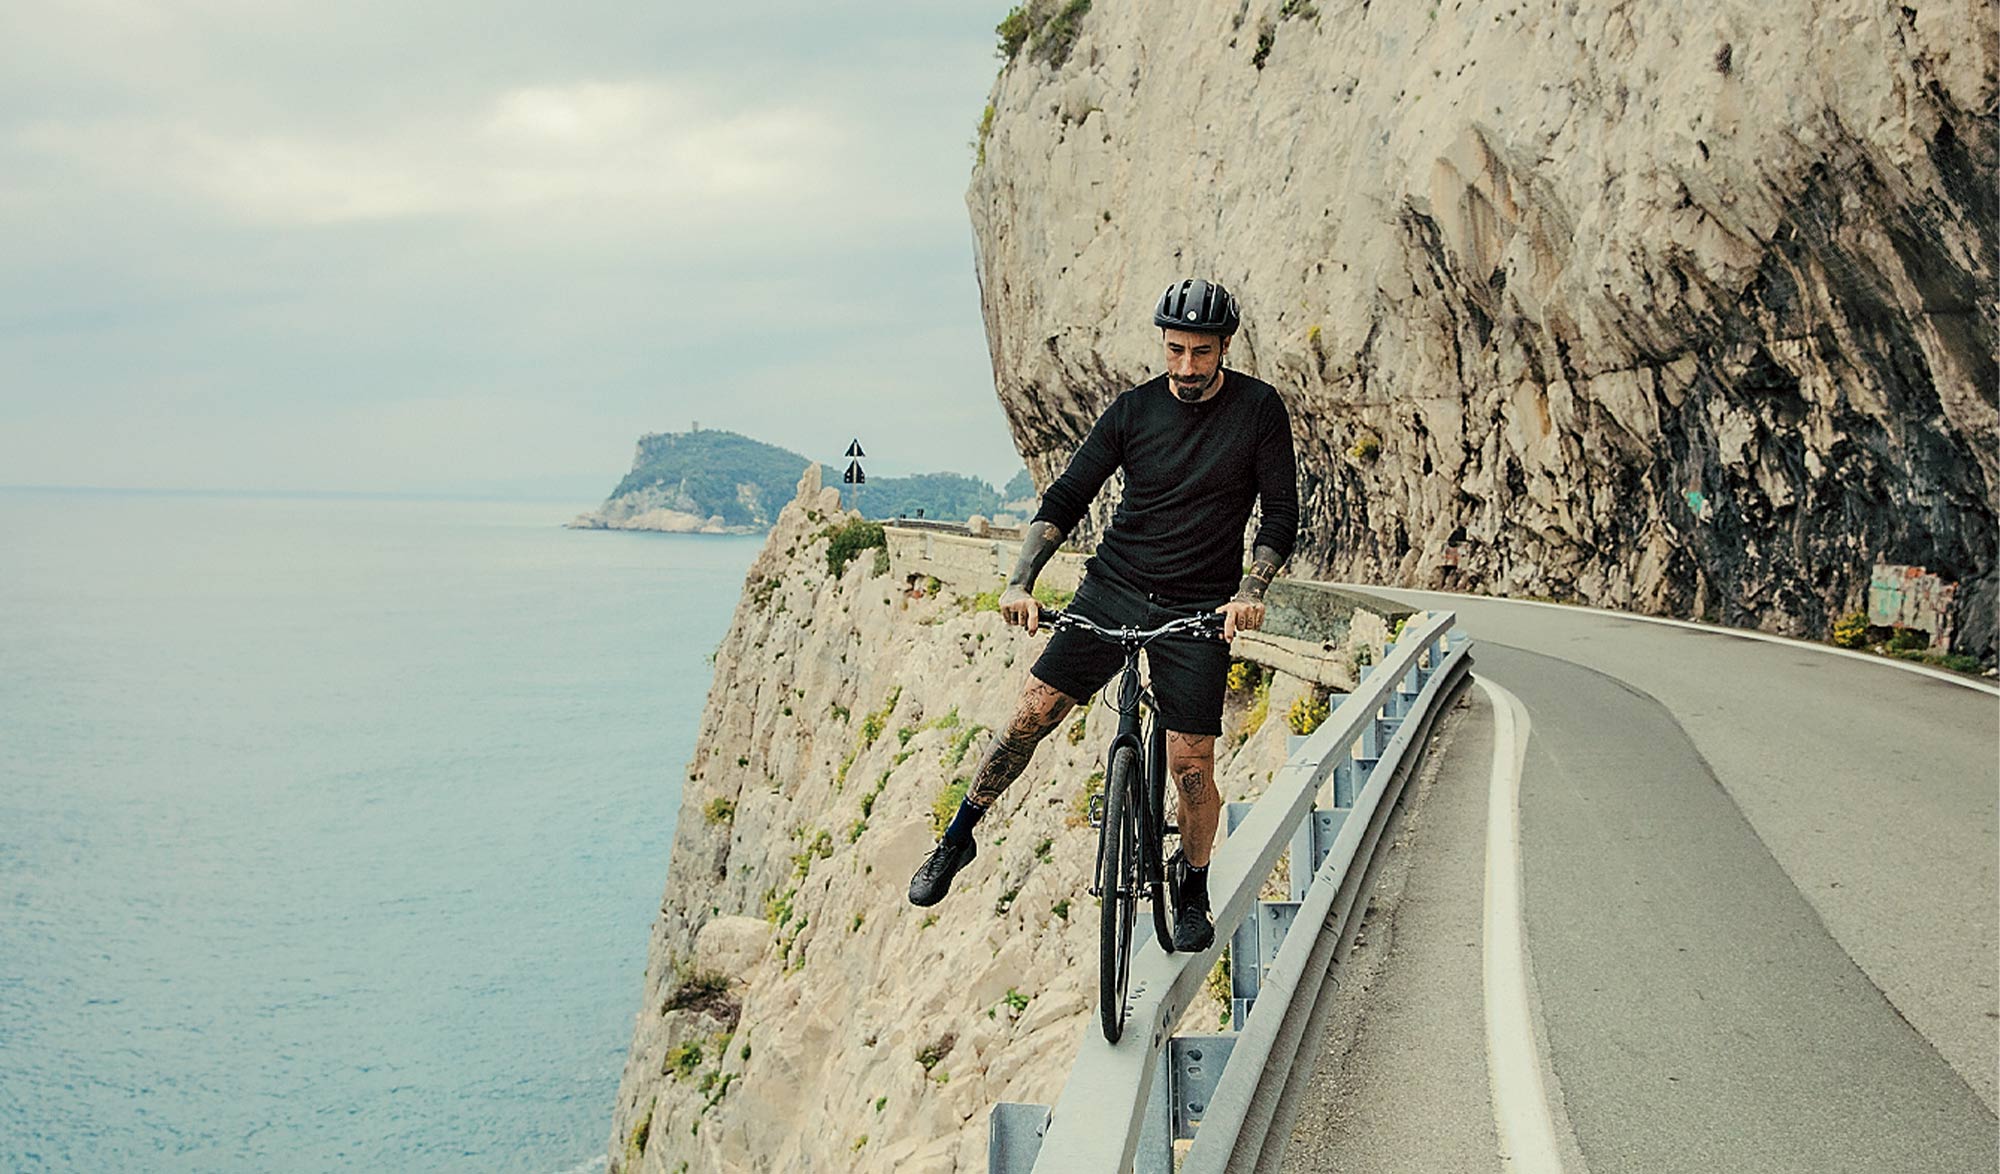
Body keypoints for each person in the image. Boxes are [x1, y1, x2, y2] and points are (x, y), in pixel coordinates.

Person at [907, 278, 1299, 952]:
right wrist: (1019, 581)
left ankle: (1195, 885)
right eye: (1174, 350)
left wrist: (1250, 590)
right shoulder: (1133, 410)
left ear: (1225, 348)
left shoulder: (1259, 411)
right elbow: (1066, 498)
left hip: (1199, 605)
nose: (1184, 367)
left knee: (1192, 764)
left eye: (1200, 354)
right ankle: (957, 838)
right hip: (1113, 585)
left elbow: (1280, 513)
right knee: (1031, 713)